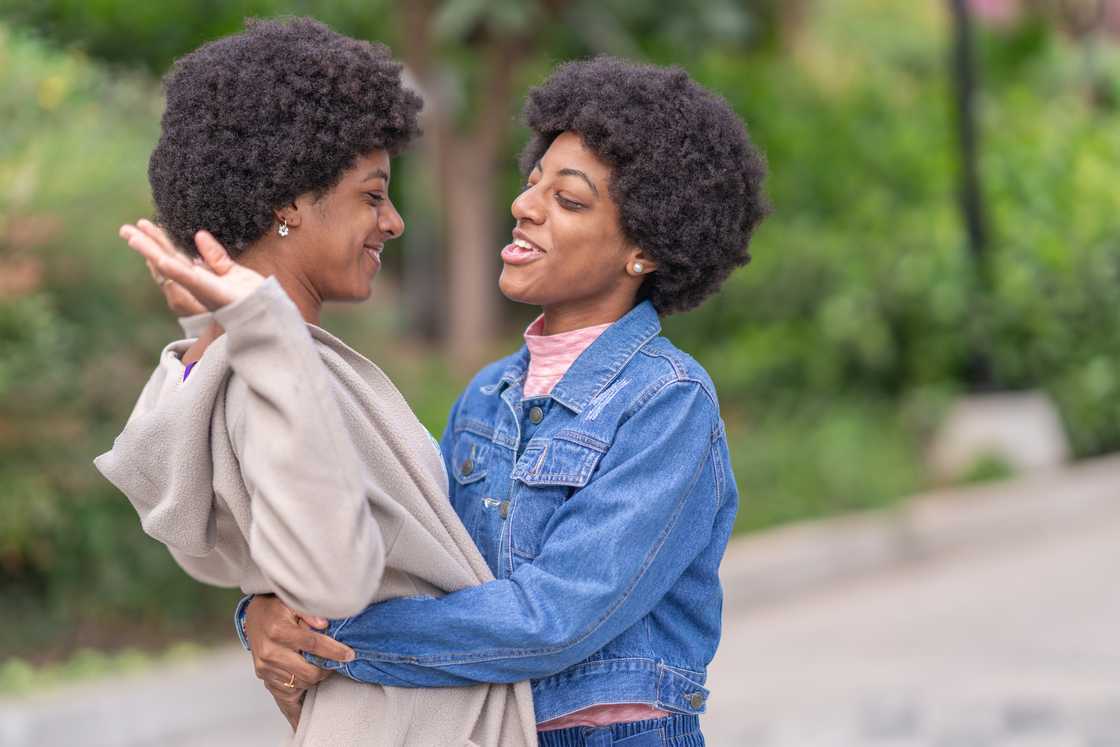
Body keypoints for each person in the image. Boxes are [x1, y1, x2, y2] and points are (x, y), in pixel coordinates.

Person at [240, 56, 769, 747]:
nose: (525, 206)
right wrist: (265, 613)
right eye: (531, 184)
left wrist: (336, 636)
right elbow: (406, 561)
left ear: (644, 248)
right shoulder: (487, 396)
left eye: (570, 200)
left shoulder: (667, 404)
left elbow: (554, 620)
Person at [95, 17, 537, 746]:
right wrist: (261, 329)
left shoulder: (241, 363)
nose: (392, 222)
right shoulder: (267, 371)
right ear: (290, 202)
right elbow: (333, 578)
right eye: (372, 195)